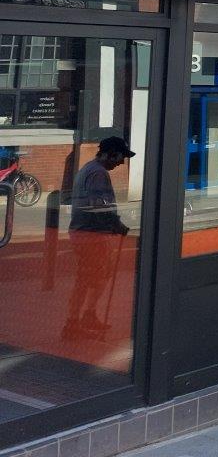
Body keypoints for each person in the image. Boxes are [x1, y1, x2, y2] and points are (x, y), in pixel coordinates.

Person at [64, 136, 133, 339]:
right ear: (110, 153)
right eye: (120, 157)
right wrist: (116, 223)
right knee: (86, 279)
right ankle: (74, 323)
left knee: (93, 277)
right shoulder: (98, 173)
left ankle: (86, 316)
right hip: (90, 235)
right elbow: (100, 205)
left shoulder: (89, 169)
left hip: (85, 232)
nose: (121, 162)